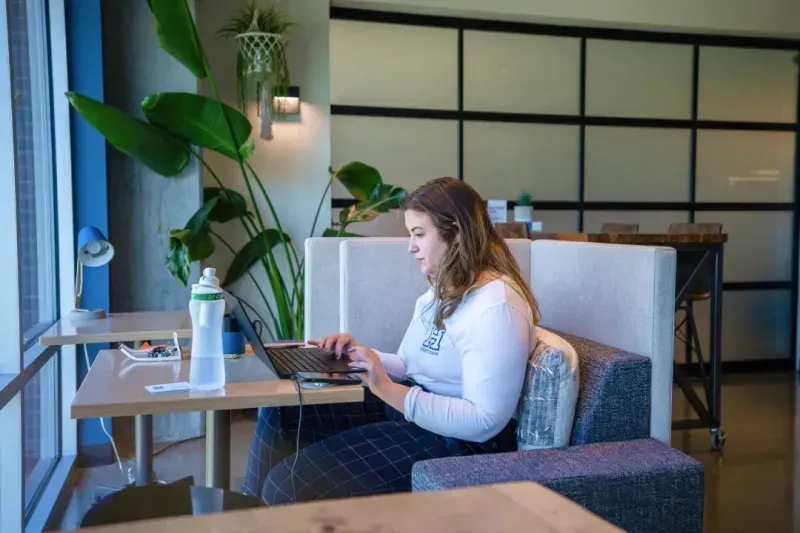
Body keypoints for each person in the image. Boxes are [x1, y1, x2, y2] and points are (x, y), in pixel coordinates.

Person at [241, 177, 540, 504]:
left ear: (455, 232)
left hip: (458, 441)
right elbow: (411, 364)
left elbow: (484, 422)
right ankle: (245, 518)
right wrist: (360, 356)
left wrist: (387, 388)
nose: (410, 246)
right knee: (280, 410)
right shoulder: (444, 289)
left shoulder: (496, 307)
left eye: (418, 234)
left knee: (289, 485)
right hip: (414, 408)